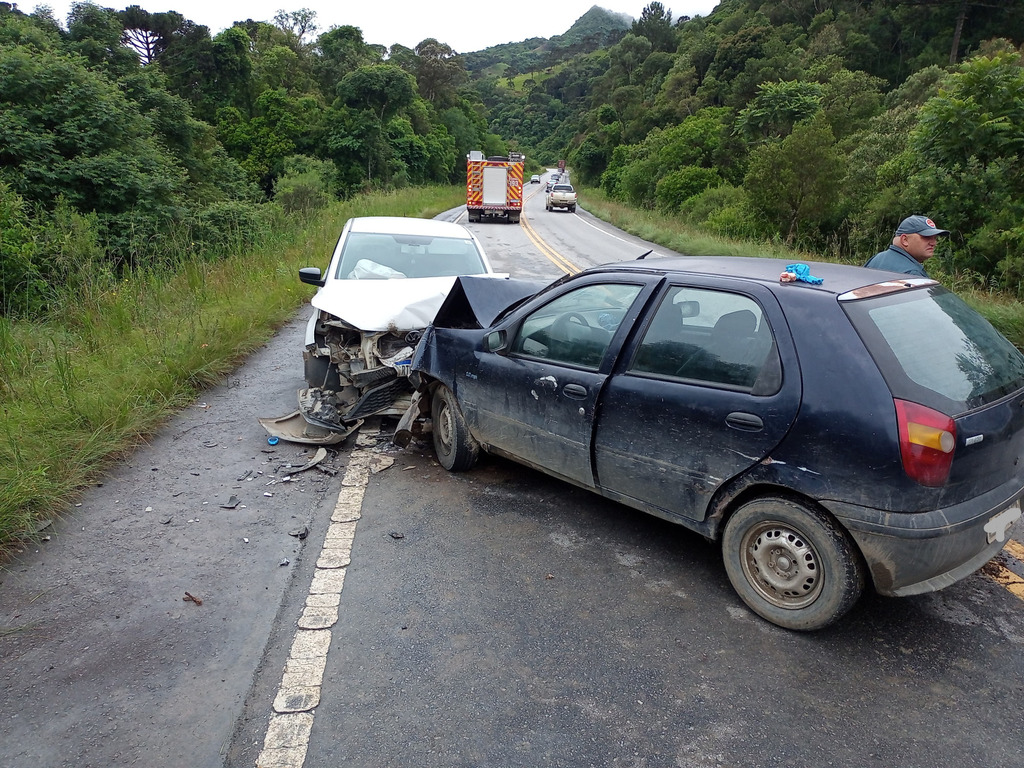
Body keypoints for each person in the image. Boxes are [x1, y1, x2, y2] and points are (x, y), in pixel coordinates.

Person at [864, 215, 948, 277]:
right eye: (926, 237)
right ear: (904, 240)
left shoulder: (876, 259)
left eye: (935, 238)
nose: (933, 243)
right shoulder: (912, 273)